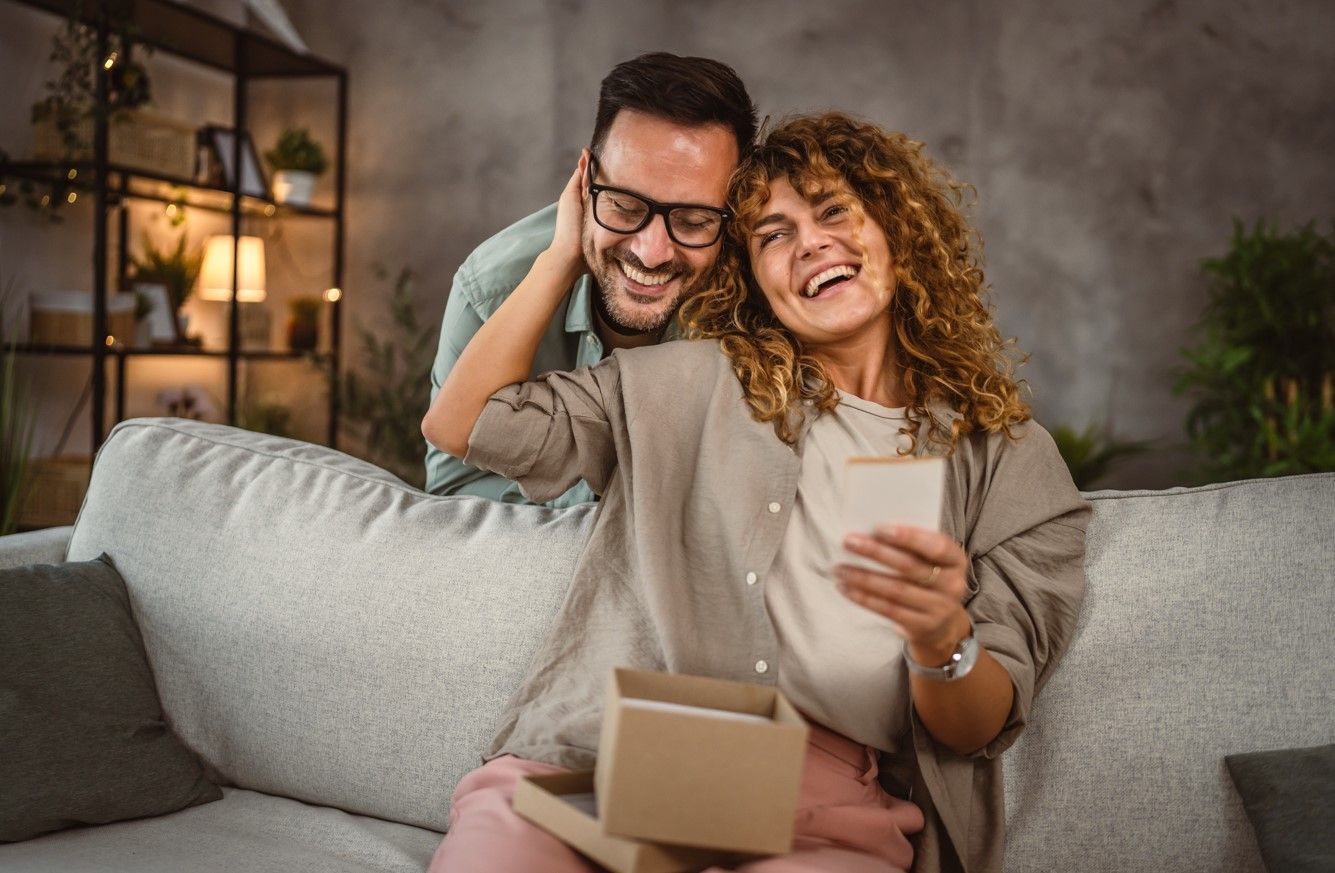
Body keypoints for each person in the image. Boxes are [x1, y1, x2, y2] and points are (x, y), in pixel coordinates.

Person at [421, 112, 1089, 873]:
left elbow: (976, 727)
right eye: (772, 234)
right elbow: (461, 423)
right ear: (753, 279)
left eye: (834, 210)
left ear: (899, 229)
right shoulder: (686, 383)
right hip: (605, 762)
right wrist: (561, 257)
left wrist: (941, 637)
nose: (808, 242)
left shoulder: (1007, 458)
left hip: (824, 810)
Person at [424, 51, 757, 505]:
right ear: (584, 181)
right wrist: (560, 260)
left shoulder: (757, 290)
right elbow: (454, 491)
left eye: (694, 220)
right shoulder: (489, 286)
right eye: (624, 206)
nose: (651, 252)